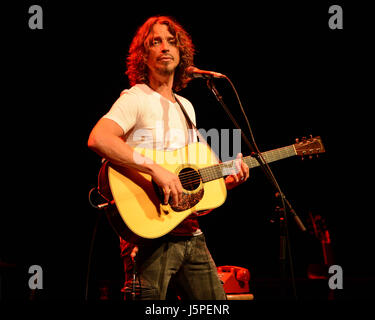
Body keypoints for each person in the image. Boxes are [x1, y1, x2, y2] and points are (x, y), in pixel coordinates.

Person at [88, 15, 249, 300]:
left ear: (181, 52)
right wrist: (156, 170)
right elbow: (99, 138)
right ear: (144, 55)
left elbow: (189, 184)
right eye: (156, 41)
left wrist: (227, 182)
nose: (165, 47)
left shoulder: (186, 106)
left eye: (171, 41)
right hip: (148, 236)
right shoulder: (136, 97)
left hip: (190, 233)